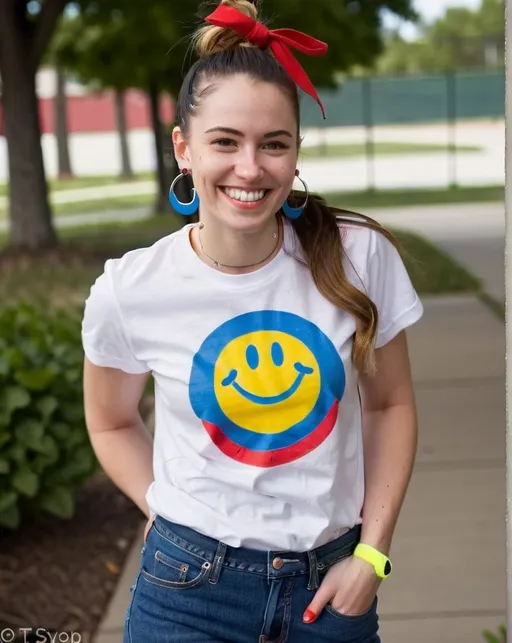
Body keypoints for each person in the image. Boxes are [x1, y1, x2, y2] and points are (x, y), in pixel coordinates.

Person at [81, 1, 424, 641]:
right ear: (183, 148)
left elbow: (391, 407)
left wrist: (372, 557)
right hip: (187, 594)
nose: (249, 168)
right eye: (224, 142)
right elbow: (110, 419)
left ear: (296, 153)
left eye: (273, 144)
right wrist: (163, 513)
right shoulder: (132, 289)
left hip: (330, 592)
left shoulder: (358, 257)